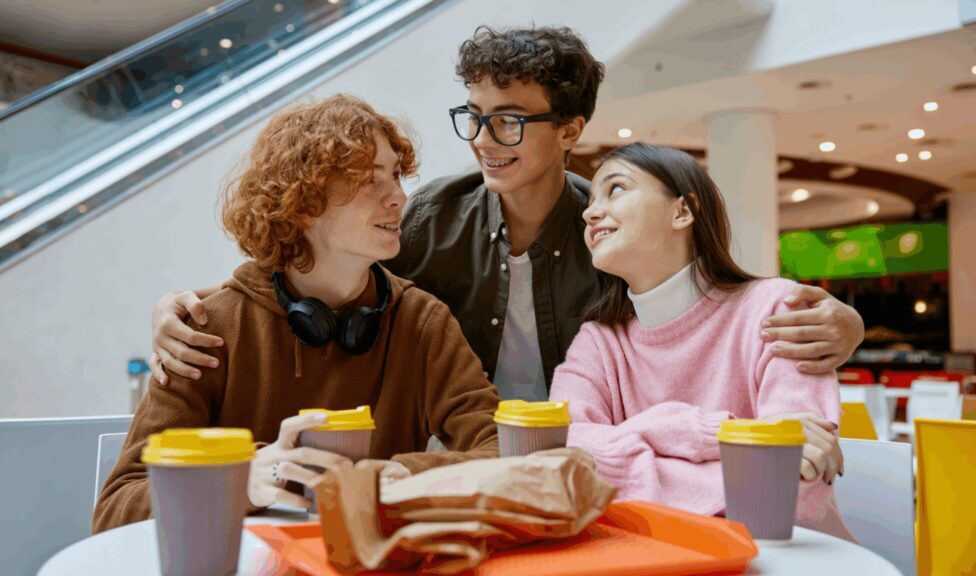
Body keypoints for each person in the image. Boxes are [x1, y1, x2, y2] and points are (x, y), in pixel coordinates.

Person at [147, 26, 864, 405]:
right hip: (459, 446)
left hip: (588, 448)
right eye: (476, 115)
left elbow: (710, 304)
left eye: (511, 120)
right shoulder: (430, 216)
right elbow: (311, 271)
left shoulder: (608, 229)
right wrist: (186, 306)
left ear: (571, 130)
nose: (486, 140)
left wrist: (846, 325)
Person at [93, 95, 501, 533]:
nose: (399, 197)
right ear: (305, 201)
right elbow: (116, 508)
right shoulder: (207, 331)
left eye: (396, 176)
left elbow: (501, 450)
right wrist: (237, 482)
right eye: (369, 179)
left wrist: (398, 476)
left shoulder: (421, 320)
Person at [550, 141, 852, 539]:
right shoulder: (597, 342)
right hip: (656, 557)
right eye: (591, 200)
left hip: (786, 556)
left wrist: (624, 463)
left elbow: (792, 484)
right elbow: (563, 454)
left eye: (616, 189)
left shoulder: (776, 308)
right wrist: (711, 433)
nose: (589, 212)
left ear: (682, 211)